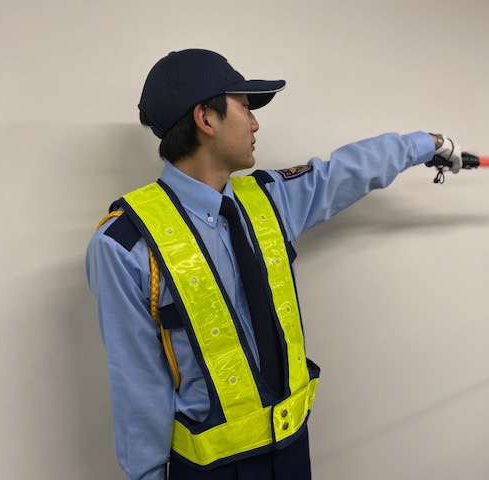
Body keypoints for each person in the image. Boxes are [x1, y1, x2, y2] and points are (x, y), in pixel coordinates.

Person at [86, 48, 462, 480]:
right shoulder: (125, 245)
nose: (255, 123)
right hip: (212, 470)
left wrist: (427, 145)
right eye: (245, 108)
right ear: (205, 119)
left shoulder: (267, 199)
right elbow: (136, 383)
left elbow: (345, 171)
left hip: (293, 451)